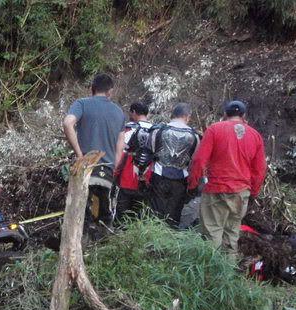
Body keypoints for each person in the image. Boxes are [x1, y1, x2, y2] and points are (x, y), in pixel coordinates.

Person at [188, 100, 267, 253]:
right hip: (240, 192)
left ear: (224, 114)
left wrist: (192, 184)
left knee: (212, 232)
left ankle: (210, 273)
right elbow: (260, 169)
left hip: (216, 190)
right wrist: (254, 192)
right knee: (232, 234)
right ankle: (227, 274)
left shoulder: (214, 130)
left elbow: (199, 160)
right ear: (244, 116)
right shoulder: (255, 135)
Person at [63, 73, 126, 228]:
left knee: (81, 218)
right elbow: (120, 148)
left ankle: (79, 247)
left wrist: (80, 156)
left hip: (85, 170)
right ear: (110, 92)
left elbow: (67, 123)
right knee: (104, 219)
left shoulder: (82, 104)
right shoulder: (119, 113)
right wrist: (113, 167)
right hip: (107, 172)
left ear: (91, 89)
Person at [140, 103, 200, 227]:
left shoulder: (158, 130)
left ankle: (151, 241)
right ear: (187, 116)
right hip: (181, 178)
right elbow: (195, 160)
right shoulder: (195, 136)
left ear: (173, 114)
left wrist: (141, 173)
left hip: (159, 175)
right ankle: (169, 242)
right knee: (174, 215)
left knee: (155, 214)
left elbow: (146, 153)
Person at [114, 101, 154, 222]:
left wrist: (115, 173)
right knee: (139, 218)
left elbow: (120, 153)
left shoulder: (128, 130)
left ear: (134, 112)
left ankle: (118, 237)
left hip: (127, 179)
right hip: (147, 181)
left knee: (121, 216)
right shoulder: (156, 130)